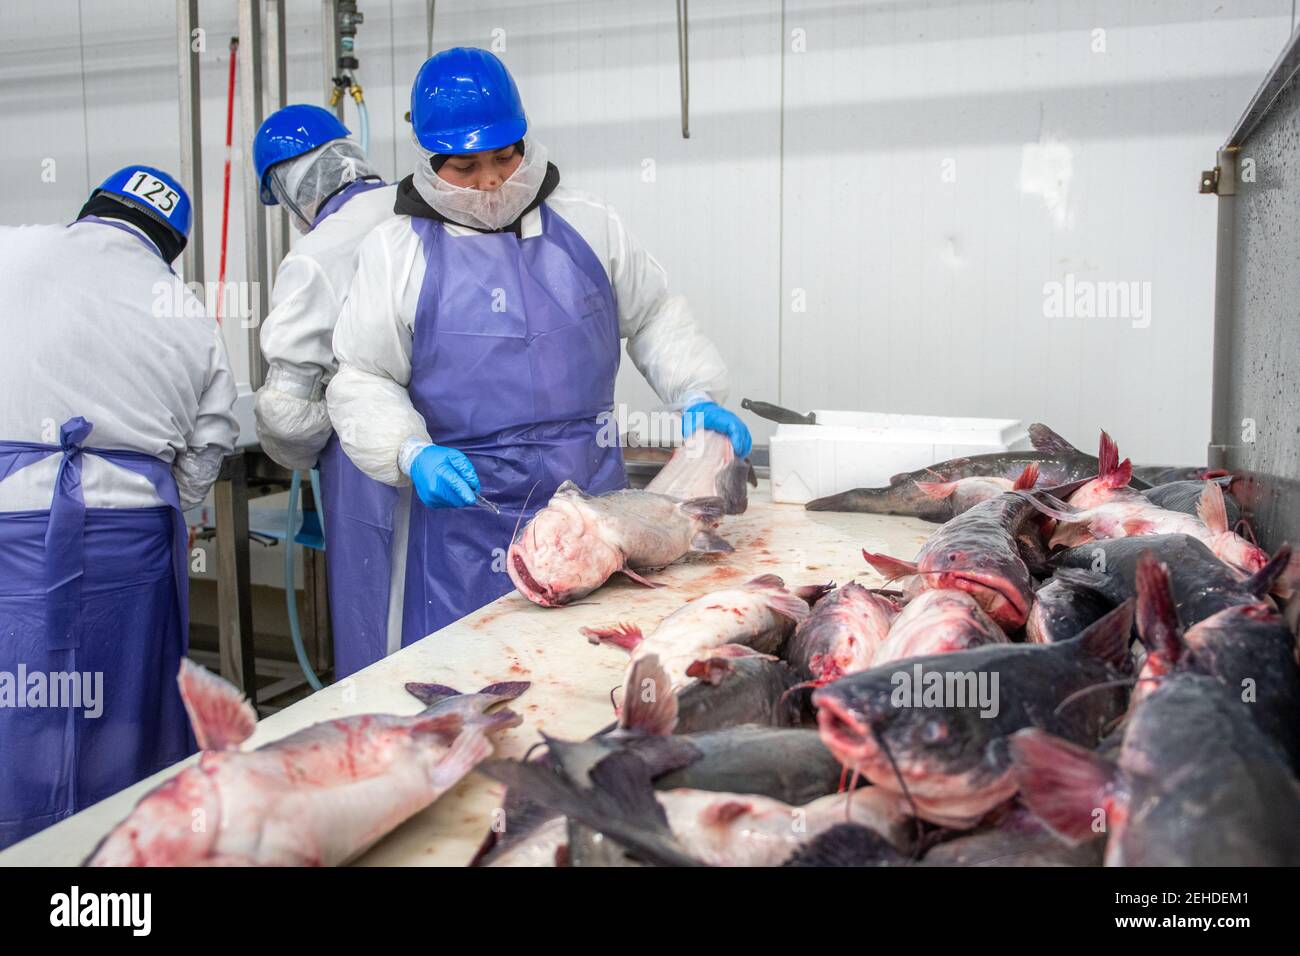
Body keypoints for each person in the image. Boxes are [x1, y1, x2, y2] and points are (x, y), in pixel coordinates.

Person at [328, 48, 751, 648]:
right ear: (429, 161)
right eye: (467, 167)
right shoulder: (397, 251)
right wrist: (410, 452)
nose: (492, 180)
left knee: (590, 680)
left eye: (505, 156)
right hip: (467, 525)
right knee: (472, 694)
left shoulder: (589, 222)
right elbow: (364, 376)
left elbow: (653, 315)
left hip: (599, 517)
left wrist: (695, 391)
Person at [0, 166, 238, 849]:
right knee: (123, 716)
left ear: (89, 210)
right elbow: (208, 446)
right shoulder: (183, 307)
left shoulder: (13, 249)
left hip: (9, 530)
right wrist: (176, 501)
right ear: (169, 245)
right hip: (129, 541)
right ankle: (125, 862)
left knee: (17, 715)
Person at [252, 104, 400, 679]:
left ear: (290, 185)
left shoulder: (318, 252)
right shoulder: (424, 206)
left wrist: (311, 436)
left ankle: (383, 750)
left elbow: (288, 414)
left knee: (380, 633)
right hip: (463, 454)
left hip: (370, 472)